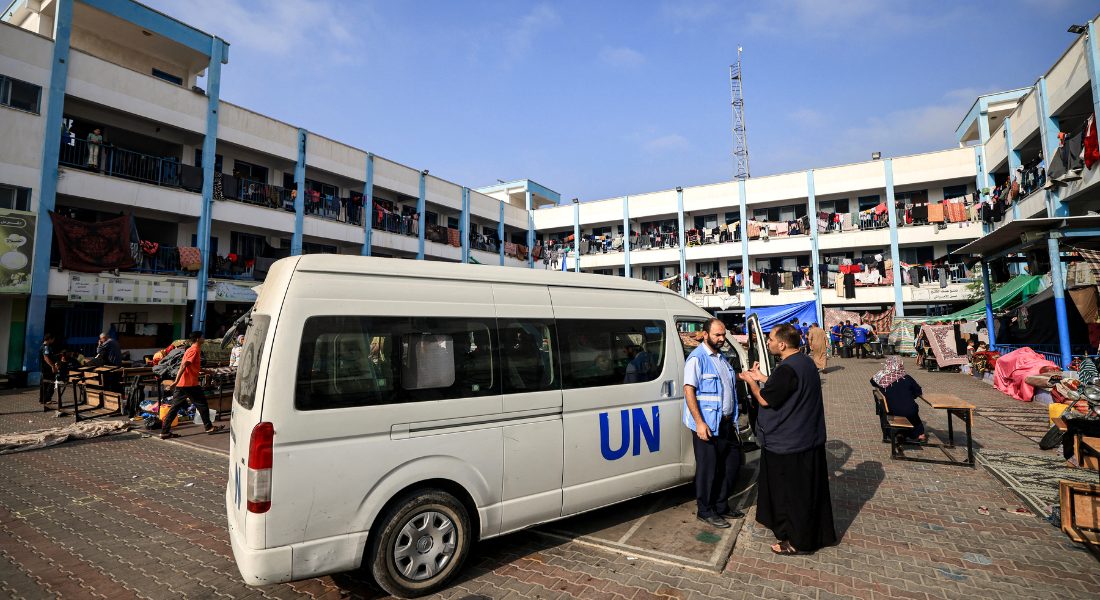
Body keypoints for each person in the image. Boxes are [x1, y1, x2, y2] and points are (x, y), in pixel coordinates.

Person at [737, 324, 836, 554]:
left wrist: (751, 382)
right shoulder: (804, 361)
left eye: (770, 339)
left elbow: (765, 400)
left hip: (789, 444)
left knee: (790, 497)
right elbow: (786, 385)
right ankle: (812, 536)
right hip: (808, 438)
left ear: (782, 344)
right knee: (809, 493)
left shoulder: (787, 369)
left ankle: (793, 542)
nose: (768, 342)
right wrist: (763, 377)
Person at [682, 318, 743, 529]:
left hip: (726, 423)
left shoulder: (721, 357)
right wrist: (699, 423)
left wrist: (744, 376)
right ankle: (705, 511)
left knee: (731, 465)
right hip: (707, 425)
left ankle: (721, 505)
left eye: (724, 334)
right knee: (708, 470)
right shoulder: (697, 358)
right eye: (718, 335)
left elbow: (726, 383)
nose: (722, 339)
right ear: (705, 335)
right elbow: (688, 390)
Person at [161, 331, 224, 439]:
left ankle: (165, 432)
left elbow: (192, 366)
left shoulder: (192, 349)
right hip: (190, 384)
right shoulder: (194, 350)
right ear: (197, 339)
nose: (204, 339)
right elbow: (183, 366)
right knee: (202, 405)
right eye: (202, 337)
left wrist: (206, 371)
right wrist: (175, 382)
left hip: (183, 384)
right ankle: (209, 427)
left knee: (174, 408)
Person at [871, 356, 926, 443]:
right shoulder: (906, 377)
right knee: (910, 411)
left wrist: (882, 372)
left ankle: (899, 434)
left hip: (890, 411)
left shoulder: (882, 377)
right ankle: (920, 435)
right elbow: (918, 392)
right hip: (908, 411)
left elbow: (872, 381)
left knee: (898, 409)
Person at [39, 333, 57, 405]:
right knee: (49, 383)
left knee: (43, 384)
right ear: (50, 339)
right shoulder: (46, 347)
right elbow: (46, 357)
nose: (53, 341)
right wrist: (52, 366)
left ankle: (42, 399)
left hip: (44, 369)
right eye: (53, 339)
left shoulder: (44, 347)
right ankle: (47, 399)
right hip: (47, 369)